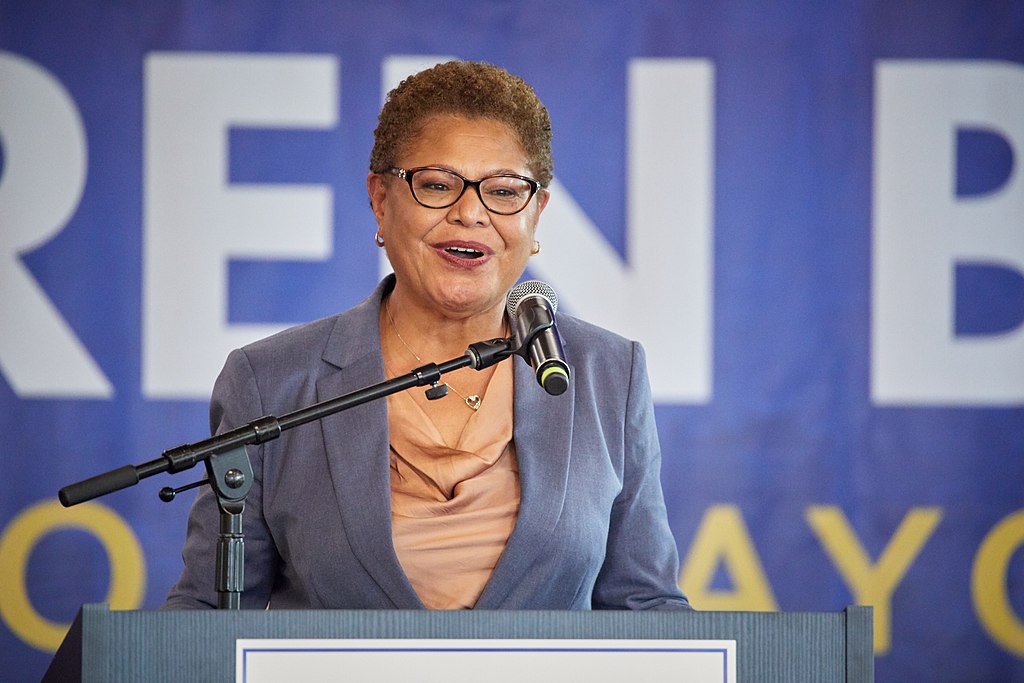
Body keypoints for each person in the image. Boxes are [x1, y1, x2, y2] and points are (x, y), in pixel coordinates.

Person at [163, 60, 691, 611]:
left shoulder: (609, 372)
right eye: (437, 185)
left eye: (504, 191)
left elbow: (646, 608)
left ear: (536, 212)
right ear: (380, 199)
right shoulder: (272, 381)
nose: (470, 214)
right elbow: (208, 616)